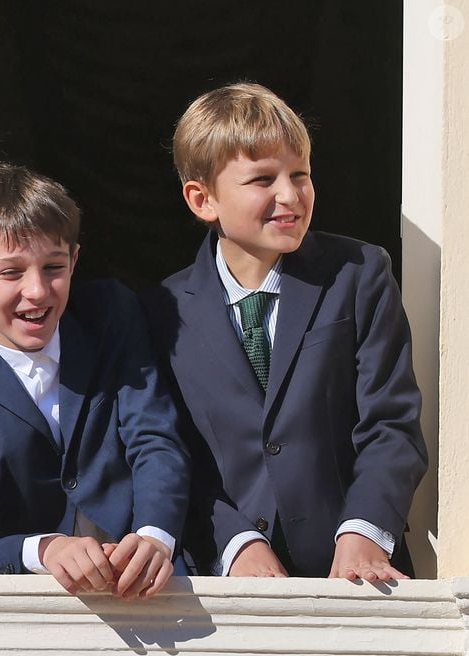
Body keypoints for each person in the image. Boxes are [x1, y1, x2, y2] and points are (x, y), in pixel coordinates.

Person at [145, 82, 427, 584]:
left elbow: (391, 424)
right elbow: (169, 452)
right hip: (226, 589)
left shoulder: (359, 275)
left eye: (300, 174)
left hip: (359, 580)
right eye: (262, 179)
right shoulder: (162, 312)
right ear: (202, 199)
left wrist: (363, 532)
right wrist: (235, 544)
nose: (289, 194)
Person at [0, 148, 190, 599]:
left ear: (75, 261)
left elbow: (155, 436)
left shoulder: (113, 314)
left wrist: (156, 535)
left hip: (144, 591)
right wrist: (44, 549)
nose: (38, 291)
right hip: (22, 614)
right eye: (11, 272)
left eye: (54, 268)